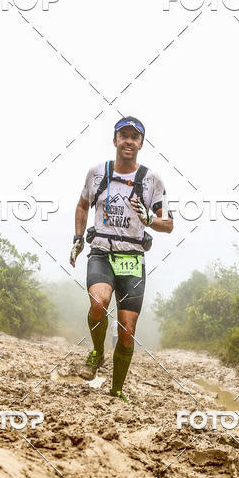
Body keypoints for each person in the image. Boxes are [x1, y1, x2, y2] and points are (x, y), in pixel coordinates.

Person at [69, 116, 173, 402]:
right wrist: (78, 239)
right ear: (114, 140)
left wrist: (150, 219)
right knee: (98, 304)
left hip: (132, 258)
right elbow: (81, 205)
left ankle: (117, 391)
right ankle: (97, 351)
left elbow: (168, 223)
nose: (128, 141)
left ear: (141, 144)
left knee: (127, 331)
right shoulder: (96, 173)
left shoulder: (152, 181)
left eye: (134, 137)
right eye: (123, 135)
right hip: (101, 251)